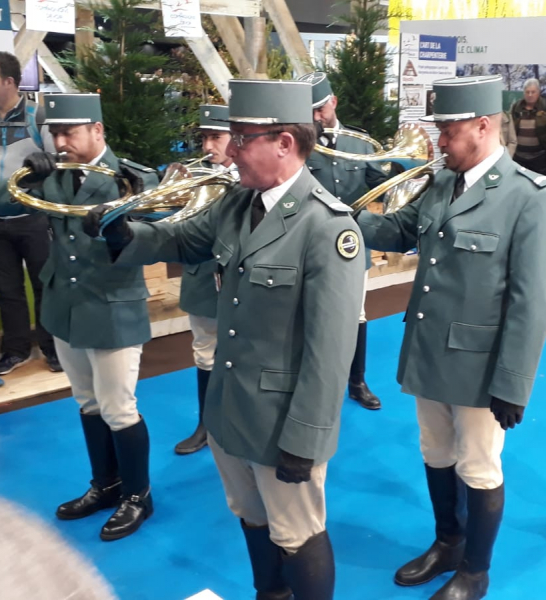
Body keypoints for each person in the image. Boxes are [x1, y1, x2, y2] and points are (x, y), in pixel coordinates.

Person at [84, 79, 364, 600]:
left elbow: (330, 352)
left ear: (284, 142)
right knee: (251, 516)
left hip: (283, 420)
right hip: (231, 407)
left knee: (298, 532)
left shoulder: (327, 227)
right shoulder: (238, 203)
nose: (230, 150)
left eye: (242, 138)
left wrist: (307, 438)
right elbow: (182, 238)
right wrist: (126, 232)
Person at [357, 75, 546, 600]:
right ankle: (447, 542)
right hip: (428, 353)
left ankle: (475, 569)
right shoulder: (443, 183)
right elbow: (400, 230)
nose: (439, 142)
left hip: (479, 365)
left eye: (447, 131)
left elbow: (533, 300)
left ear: (483, 125)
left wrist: (514, 382)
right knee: (436, 453)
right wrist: (343, 214)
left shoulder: (529, 197)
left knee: (478, 464)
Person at [1, 93, 159, 540]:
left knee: (118, 407)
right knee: (87, 402)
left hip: (110, 305)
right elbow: (6, 202)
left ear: (98, 130)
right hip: (64, 305)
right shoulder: (53, 174)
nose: (61, 141)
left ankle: (137, 495)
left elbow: (165, 225)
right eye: (54, 133)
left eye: (69, 132)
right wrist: (26, 177)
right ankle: (105, 484)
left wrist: (131, 219)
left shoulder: (129, 178)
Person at [299, 71, 387, 411]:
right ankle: (314, 380)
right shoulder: (302, 144)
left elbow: (380, 181)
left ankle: (357, 381)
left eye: (320, 109)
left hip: (352, 245)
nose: (317, 118)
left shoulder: (360, 143)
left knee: (357, 313)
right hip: (309, 244)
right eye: (310, 112)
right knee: (309, 313)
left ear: (333, 102)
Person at [174, 104, 239, 455]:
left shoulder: (254, 176)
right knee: (205, 352)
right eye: (204, 138)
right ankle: (206, 424)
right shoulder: (194, 176)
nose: (208, 146)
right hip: (203, 276)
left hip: (246, 281)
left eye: (216, 137)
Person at [0, 51, 60, 376]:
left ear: (9, 81)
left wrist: (44, 168)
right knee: (6, 289)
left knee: (44, 284)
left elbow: (60, 163)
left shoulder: (38, 118)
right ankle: (16, 350)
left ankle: (52, 349)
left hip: (34, 218)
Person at [509, 78, 546, 174]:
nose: (530, 95)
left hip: (540, 158)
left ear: (538, 92)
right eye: (527, 92)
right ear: (524, 93)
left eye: (533, 92)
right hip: (518, 157)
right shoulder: (516, 107)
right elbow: (509, 129)